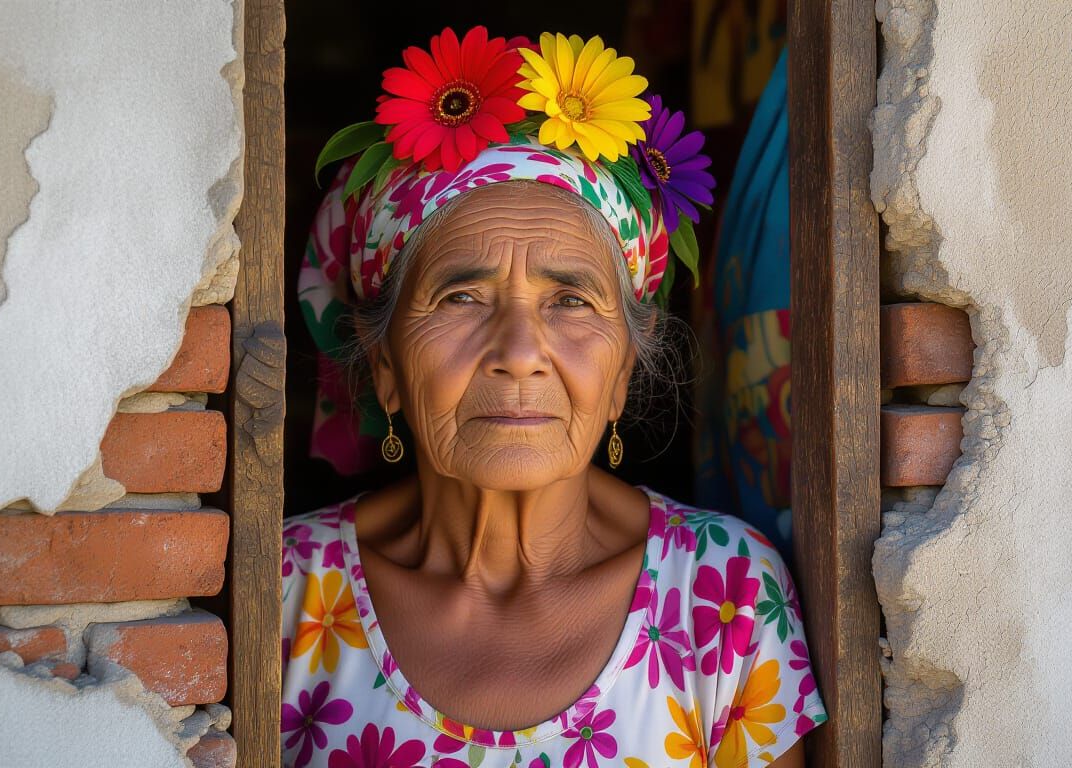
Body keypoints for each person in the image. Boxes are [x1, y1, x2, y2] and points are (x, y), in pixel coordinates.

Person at [282, 27, 824, 767]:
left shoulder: (723, 593)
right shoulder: (286, 591)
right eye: (462, 296)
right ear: (384, 363)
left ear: (626, 367)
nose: (518, 353)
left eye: (570, 301)